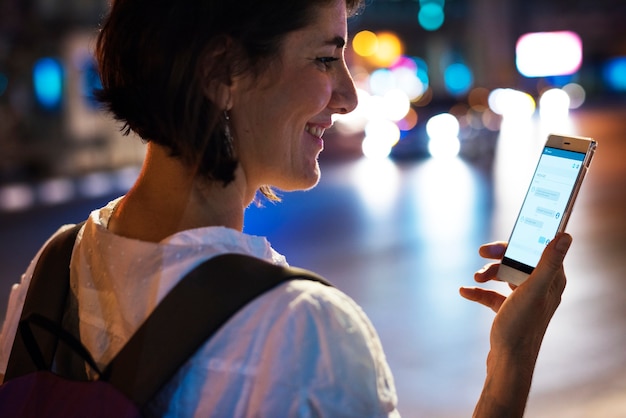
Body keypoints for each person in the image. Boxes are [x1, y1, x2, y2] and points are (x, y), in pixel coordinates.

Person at [0, 0, 572, 416]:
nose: (349, 96)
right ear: (223, 72)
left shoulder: (50, 275)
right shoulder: (305, 332)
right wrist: (510, 367)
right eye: (326, 59)